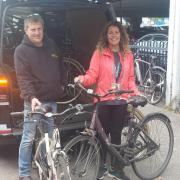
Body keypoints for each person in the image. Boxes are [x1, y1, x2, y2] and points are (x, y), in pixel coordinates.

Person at [74, 21, 139, 180]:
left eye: (117, 32)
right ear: (106, 35)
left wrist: (135, 93)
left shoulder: (128, 55)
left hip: (121, 100)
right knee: (101, 137)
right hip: (104, 99)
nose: (114, 35)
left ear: (121, 35)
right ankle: (102, 168)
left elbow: (130, 78)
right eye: (111, 32)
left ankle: (117, 169)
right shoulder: (99, 52)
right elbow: (92, 74)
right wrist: (82, 79)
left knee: (116, 136)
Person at [14, 14, 65, 180]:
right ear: (26, 30)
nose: (37, 33)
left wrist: (62, 84)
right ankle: (24, 173)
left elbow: (61, 65)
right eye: (33, 29)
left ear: (43, 29)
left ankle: (45, 165)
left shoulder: (51, 45)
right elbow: (23, 78)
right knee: (28, 138)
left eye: (39, 29)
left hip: (51, 100)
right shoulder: (21, 51)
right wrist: (31, 97)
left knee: (49, 138)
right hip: (34, 102)